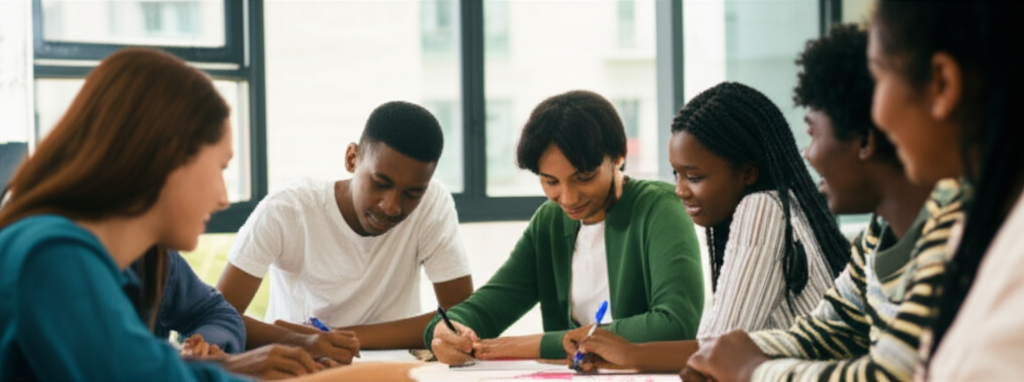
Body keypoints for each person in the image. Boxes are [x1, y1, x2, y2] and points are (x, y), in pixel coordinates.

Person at [0, 47, 422, 382]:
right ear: (167, 160)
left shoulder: (131, 256)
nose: (223, 198)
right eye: (220, 167)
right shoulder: (52, 259)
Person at [680, 24, 964, 382]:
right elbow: (827, 331)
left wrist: (751, 369)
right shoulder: (877, 236)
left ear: (865, 141)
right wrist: (728, 355)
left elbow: (892, 375)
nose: (807, 154)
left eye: (813, 133)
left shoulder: (953, 226)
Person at [565, 81, 852, 372]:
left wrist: (630, 354)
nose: (680, 190)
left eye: (694, 177)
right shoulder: (788, 205)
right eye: (677, 174)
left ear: (748, 173)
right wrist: (620, 356)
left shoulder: (762, 208)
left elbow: (718, 348)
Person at [426, 90, 705, 364]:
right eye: (551, 182)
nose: (568, 199)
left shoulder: (659, 209)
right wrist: (445, 332)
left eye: (584, 178)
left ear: (618, 156)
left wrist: (543, 344)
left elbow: (675, 325)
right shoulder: (550, 222)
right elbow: (487, 307)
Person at [216, 100, 473, 352]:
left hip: (393, 367)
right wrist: (305, 342)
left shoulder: (432, 203)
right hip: (303, 365)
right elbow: (217, 317)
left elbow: (461, 315)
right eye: (380, 183)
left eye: (412, 194)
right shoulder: (287, 210)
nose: (392, 206)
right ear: (352, 159)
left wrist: (331, 338)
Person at [856, 1, 1024, 380]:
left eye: (878, 78)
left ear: (942, 84)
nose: (876, 113)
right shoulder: (978, 220)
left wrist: (755, 371)